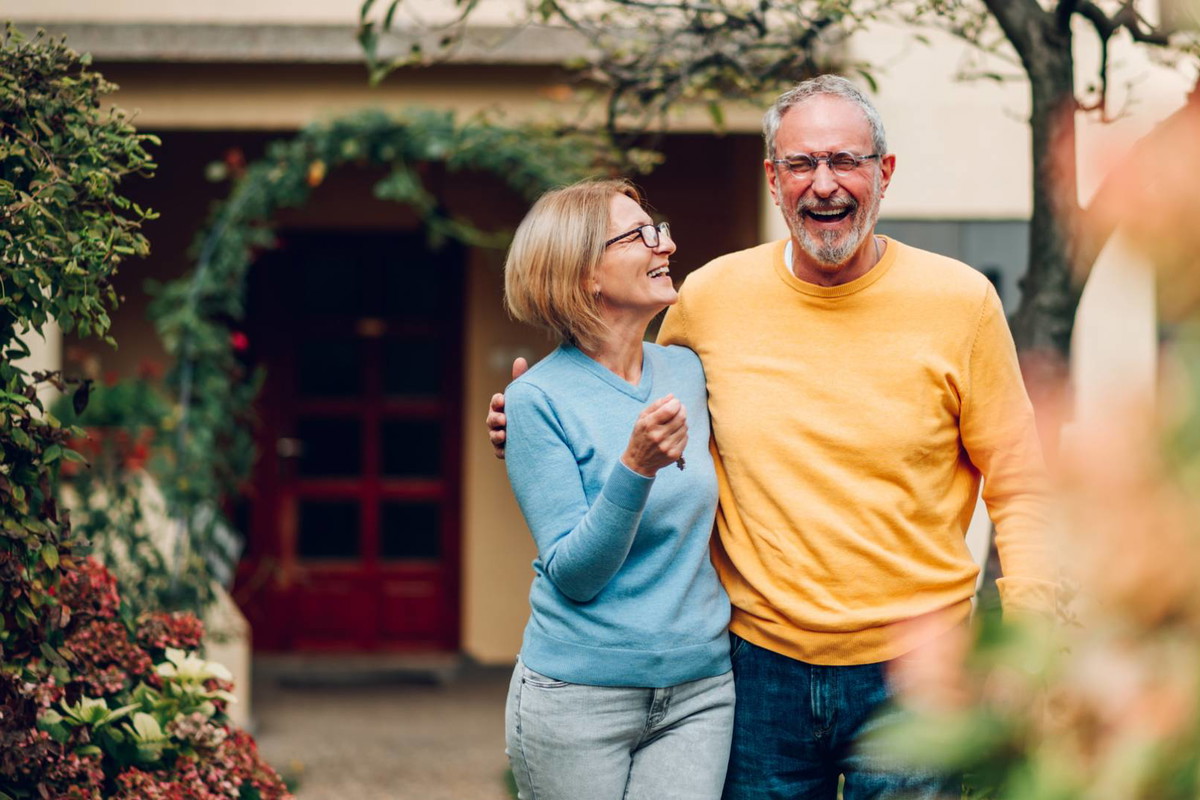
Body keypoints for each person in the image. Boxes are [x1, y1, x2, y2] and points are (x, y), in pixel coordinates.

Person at [489, 76, 1056, 800]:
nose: (824, 184)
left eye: (845, 160)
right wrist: (529, 422)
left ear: (884, 172)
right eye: (801, 164)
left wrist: (1030, 640)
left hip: (921, 672)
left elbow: (1020, 480)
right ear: (773, 178)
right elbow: (618, 394)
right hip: (754, 671)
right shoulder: (709, 298)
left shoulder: (962, 302)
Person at [498, 178, 735, 800]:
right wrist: (635, 467)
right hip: (578, 697)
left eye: (659, 229)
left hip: (699, 690)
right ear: (584, 277)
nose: (668, 244)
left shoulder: (688, 369)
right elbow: (575, 575)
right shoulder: (537, 400)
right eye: (640, 236)